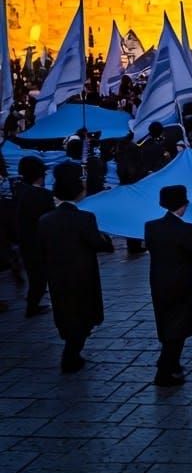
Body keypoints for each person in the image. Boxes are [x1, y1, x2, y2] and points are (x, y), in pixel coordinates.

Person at [37, 161, 114, 373]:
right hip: (82, 274)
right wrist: (105, 240)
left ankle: (71, 348)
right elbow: (98, 244)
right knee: (83, 313)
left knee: (66, 312)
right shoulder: (84, 218)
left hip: (57, 275)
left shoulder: (45, 220)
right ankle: (71, 355)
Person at [143, 185, 192, 386]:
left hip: (160, 280)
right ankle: (165, 370)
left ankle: (170, 363)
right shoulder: (187, 229)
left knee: (166, 320)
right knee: (179, 325)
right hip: (183, 281)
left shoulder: (151, 226)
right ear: (184, 205)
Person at [13, 155, 54, 317]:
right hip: (39, 241)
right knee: (39, 275)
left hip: (25, 240)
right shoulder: (42, 195)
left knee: (35, 274)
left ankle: (33, 303)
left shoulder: (18, 191)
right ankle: (32, 305)